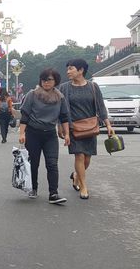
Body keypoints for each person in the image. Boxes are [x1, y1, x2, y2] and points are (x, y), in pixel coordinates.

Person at [58, 58, 114, 200]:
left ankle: (76, 175)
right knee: (80, 155)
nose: (68, 71)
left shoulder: (93, 87)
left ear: (81, 70)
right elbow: (61, 109)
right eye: (68, 68)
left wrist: (108, 125)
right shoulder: (64, 88)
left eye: (71, 68)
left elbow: (101, 107)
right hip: (73, 128)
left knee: (87, 158)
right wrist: (61, 126)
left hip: (90, 127)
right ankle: (84, 187)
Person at [19, 69, 70, 204]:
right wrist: (22, 133)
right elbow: (25, 115)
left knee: (52, 164)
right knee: (33, 163)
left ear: (55, 81)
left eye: (49, 80)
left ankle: (53, 193)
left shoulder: (60, 97)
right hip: (33, 133)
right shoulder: (32, 94)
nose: (46, 82)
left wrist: (67, 134)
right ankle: (33, 188)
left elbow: (64, 117)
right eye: (44, 80)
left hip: (50, 135)